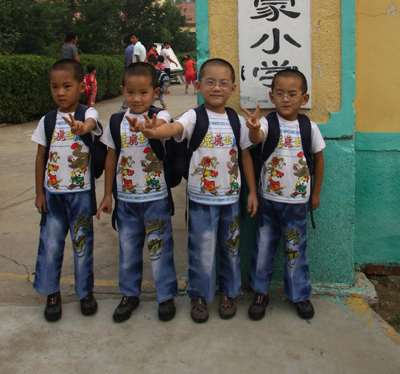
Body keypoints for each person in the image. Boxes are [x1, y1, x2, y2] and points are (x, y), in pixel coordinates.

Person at [142, 58, 258, 323]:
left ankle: (228, 293)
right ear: (198, 85)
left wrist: (251, 191)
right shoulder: (195, 116)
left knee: (231, 248)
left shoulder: (236, 120)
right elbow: (176, 128)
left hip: (231, 199)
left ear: (233, 88)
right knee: (201, 250)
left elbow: (247, 154)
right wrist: (156, 131)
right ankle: (200, 296)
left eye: (223, 83)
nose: (216, 88)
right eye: (210, 82)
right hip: (200, 200)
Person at [96, 62, 178, 323]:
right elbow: (111, 158)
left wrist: (148, 128)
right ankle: (129, 294)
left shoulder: (160, 117)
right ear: (123, 91)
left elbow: (163, 127)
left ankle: (165, 296)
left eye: (143, 92)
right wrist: (108, 194)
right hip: (127, 201)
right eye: (130, 92)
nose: (136, 98)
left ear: (155, 92)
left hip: (156, 199)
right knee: (128, 248)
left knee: (160, 248)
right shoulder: (117, 121)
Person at [242, 68, 325, 321]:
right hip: (269, 202)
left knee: (295, 249)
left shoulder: (309, 127)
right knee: (264, 247)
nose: (286, 99)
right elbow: (257, 138)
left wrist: (316, 193)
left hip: (298, 203)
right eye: (280, 94)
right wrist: (254, 127)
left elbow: (319, 160)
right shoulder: (267, 123)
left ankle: (299, 294)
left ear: (304, 98)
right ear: (272, 97)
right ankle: (259, 293)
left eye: (292, 94)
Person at [32, 59, 102, 321]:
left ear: (81, 87)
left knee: (82, 245)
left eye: (67, 86)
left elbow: (93, 122)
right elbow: (40, 157)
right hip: (52, 197)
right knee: (50, 245)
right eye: (54, 87)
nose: (60, 92)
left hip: (81, 196)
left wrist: (83, 127)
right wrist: (39, 192)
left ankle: (85, 292)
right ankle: (52, 293)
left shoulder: (87, 114)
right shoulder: (47, 121)